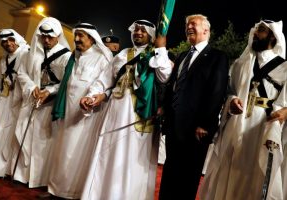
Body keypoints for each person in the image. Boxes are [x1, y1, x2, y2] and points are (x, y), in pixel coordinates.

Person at [80, 19, 172, 200]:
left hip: (139, 115)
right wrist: (94, 95)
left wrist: (161, 49)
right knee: (108, 155)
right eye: (135, 30)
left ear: (151, 35)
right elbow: (104, 80)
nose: (137, 33)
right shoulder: (122, 54)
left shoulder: (157, 56)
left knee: (131, 160)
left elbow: (165, 76)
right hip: (114, 111)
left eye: (142, 31)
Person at [200, 19, 287, 200]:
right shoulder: (240, 64)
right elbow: (230, 91)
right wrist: (231, 101)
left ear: (273, 35)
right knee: (229, 168)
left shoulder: (284, 67)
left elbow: (284, 102)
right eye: (255, 30)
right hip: (235, 123)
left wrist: (282, 113)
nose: (255, 34)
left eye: (261, 31)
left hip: (263, 126)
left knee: (254, 173)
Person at [159, 14, 229, 200]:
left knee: (188, 178)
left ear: (206, 30)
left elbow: (216, 93)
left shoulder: (217, 57)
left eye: (193, 24)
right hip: (174, 125)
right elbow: (173, 85)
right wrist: (164, 108)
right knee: (170, 172)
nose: (188, 27)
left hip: (196, 130)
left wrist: (205, 124)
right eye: (186, 25)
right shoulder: (183, 55)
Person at [47, 22, 113, 199]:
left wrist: (93, 98)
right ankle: (55, 189)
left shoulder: (102, 58)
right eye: (75, 35)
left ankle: (72, 193)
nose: (76, 39)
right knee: (61, 149)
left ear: (92, 38)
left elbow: (105, 85)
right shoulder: (73, 57)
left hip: (87, 115)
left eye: (81, 36)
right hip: (67, 110)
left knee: (76, 153)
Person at [11, 17, 71, 188]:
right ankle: (21, 175)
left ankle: (39, 179)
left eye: (50, 37)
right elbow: (22, 73)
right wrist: (32, 87)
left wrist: (49, 91)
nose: (46, 40)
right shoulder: (32, 53)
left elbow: (67, 82)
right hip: (31, 100)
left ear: (58, 35)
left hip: (49, 104)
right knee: (23, 133)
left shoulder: (66, 56)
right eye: (43, 36)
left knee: (43, 142)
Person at [0, 29, 29, 177]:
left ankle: (8, 169)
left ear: (16, 39)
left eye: (10, 40)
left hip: (20, 99)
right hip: (5, 99)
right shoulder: (4, 58)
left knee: (13, 133)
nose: (8, 44)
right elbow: (0, 77)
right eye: (4, 42)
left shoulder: (26, 54)